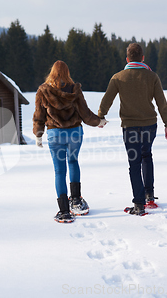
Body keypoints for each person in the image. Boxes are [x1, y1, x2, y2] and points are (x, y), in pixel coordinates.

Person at [98, 43, 167, 216]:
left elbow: (107, 100)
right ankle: (149, 195)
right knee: (147, 155)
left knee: (134, 163)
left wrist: (101, 117)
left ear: (127, 59)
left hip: (130, 127)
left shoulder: (118, 77)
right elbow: (161, 102)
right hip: (150, 126)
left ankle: (139, 205)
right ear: (143, 58)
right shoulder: (152, 76)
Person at [33, 60, 107, 223]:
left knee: (59, 171)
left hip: (55, 134)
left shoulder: (43, 90)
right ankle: (76, 201)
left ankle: (64, 211)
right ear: (67, 73)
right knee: (73, 161)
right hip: (74, 133)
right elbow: (85, 113)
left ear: (51, 72)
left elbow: (39, 115)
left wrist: (38, 134)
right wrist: (99, 122)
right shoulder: (75, 90)